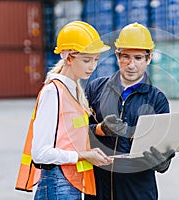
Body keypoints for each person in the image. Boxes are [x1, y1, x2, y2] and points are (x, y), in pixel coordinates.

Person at [15, 21, 114, 200]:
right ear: (69, 58)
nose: (92, 66)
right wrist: (84, 155)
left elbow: (68, 140)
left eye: (96, 60)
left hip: (69, 184)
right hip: (57, 185)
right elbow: (40, 153)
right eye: (86, 60)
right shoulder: (53, 92)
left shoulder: (73, 92)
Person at [84, 22, 175, 200]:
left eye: (138, 58)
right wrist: (99, 129)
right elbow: (73, 133)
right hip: (98, 190)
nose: (131, 65)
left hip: (137, 191)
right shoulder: (95, 89)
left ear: (149, 58)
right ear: (117, 56)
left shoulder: (157, 100)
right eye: (125, 56)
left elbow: (166, 149)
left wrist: (163, 162)